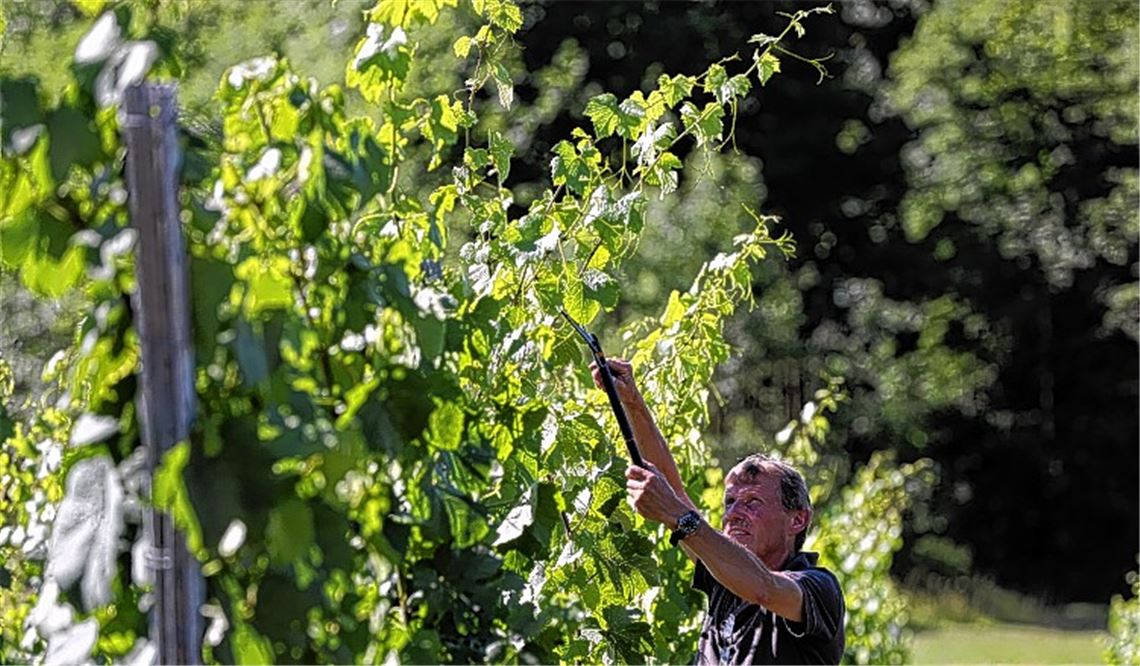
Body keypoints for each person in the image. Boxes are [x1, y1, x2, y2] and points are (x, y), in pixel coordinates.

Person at [592, 358, 845, 665]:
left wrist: (677, 515)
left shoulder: (817, 588)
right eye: (730, 502)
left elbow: (763, 588)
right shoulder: (724, 571)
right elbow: (676, 492)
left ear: (797, 519)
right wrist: (631, 401)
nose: (734, 514)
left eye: (753, 502)